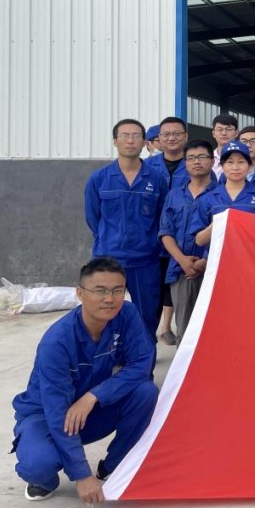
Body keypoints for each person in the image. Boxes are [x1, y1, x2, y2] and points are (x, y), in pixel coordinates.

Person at [10, 257, 159, 503]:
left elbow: (141, 364)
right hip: (46, 415)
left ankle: (113, 466)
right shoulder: (57, 342)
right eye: (100, 291)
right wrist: (81, 475)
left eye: (117, 290)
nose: (110, 299)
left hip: (89, 410)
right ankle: (44, 480)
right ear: (80, 293)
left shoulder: (127, 315)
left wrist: (93, 396)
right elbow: (56, 410)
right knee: (38, 465)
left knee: (145, 392)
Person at [84, 119, 169, 343]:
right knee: (105, 313)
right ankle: (108, 359)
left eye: (136, 136)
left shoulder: (156, 179)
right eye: (125, 135)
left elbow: (162, 219)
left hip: (145, 260)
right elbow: (93, 218)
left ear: (144, 142)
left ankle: (144, 362)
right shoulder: (99, 179)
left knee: (147, 315)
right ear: (115, 141)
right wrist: (109, 239)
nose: (130, 140)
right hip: (108, 259)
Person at [159, 140, 216, 343]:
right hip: (181, 270)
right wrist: (182, 260)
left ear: (212, 161)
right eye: (191, 158)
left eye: (202, 157)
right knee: (185, 330)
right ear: (185, 163)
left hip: (214, 270)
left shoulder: (223, 193)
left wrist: (206, 262)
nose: (196, 162)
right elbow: (165, 232)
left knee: (213, 328)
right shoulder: (174, 195)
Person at [143, 116, 190, 346]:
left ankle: (176, 334)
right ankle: (145, 341)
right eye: (166, 134)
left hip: (183, 241)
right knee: (150, 292)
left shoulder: (195, 164)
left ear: (185, 137)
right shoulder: (146, 167)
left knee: (179, 293)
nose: (171, 138)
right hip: (150, 241)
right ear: (159, 139)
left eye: (177, 134)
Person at [192, 140, 255, 248]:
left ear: (249, 166)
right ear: (222, 166)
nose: (235, 167)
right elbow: (199, 241)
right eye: (230, 162)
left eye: (241, 162)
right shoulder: (208, 198)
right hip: (219, 257)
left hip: (251, 256)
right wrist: (216, 224)